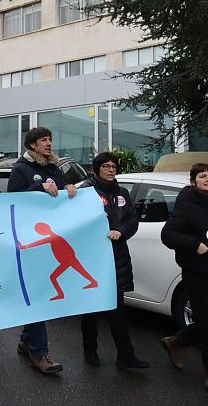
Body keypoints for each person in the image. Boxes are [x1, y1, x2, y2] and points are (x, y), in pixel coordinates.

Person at [160, 163, 208, 400]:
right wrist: (195, 245)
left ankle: (176, 341)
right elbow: (168, 235)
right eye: (202, 176)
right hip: (198, 275)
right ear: (193, 181)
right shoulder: (186, 206)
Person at [8, 127, 77, 375]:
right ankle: (39, 353)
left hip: (53, 239)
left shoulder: (54, 167)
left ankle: (27, 340)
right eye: (43, 140)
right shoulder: (21, 169)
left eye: (50, 139)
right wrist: (38, 188)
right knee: (38, 294)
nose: (48, 143)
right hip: (31, 240)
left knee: (40, 292)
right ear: (32, 145)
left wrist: (70, 190)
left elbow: (60, 196)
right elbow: (12, 200)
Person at [79, 152, 149, 369]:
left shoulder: (122, 193)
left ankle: (126, 356)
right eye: (106, 166)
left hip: (116, 257)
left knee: (118, 310)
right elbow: (76, 221)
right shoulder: (86, 192)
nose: (111, 170)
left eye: (113, 166)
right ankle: (90, 350)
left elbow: (132, 220)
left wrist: (121, 230)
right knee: (91, 309)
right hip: (92, 258)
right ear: (97, 169)